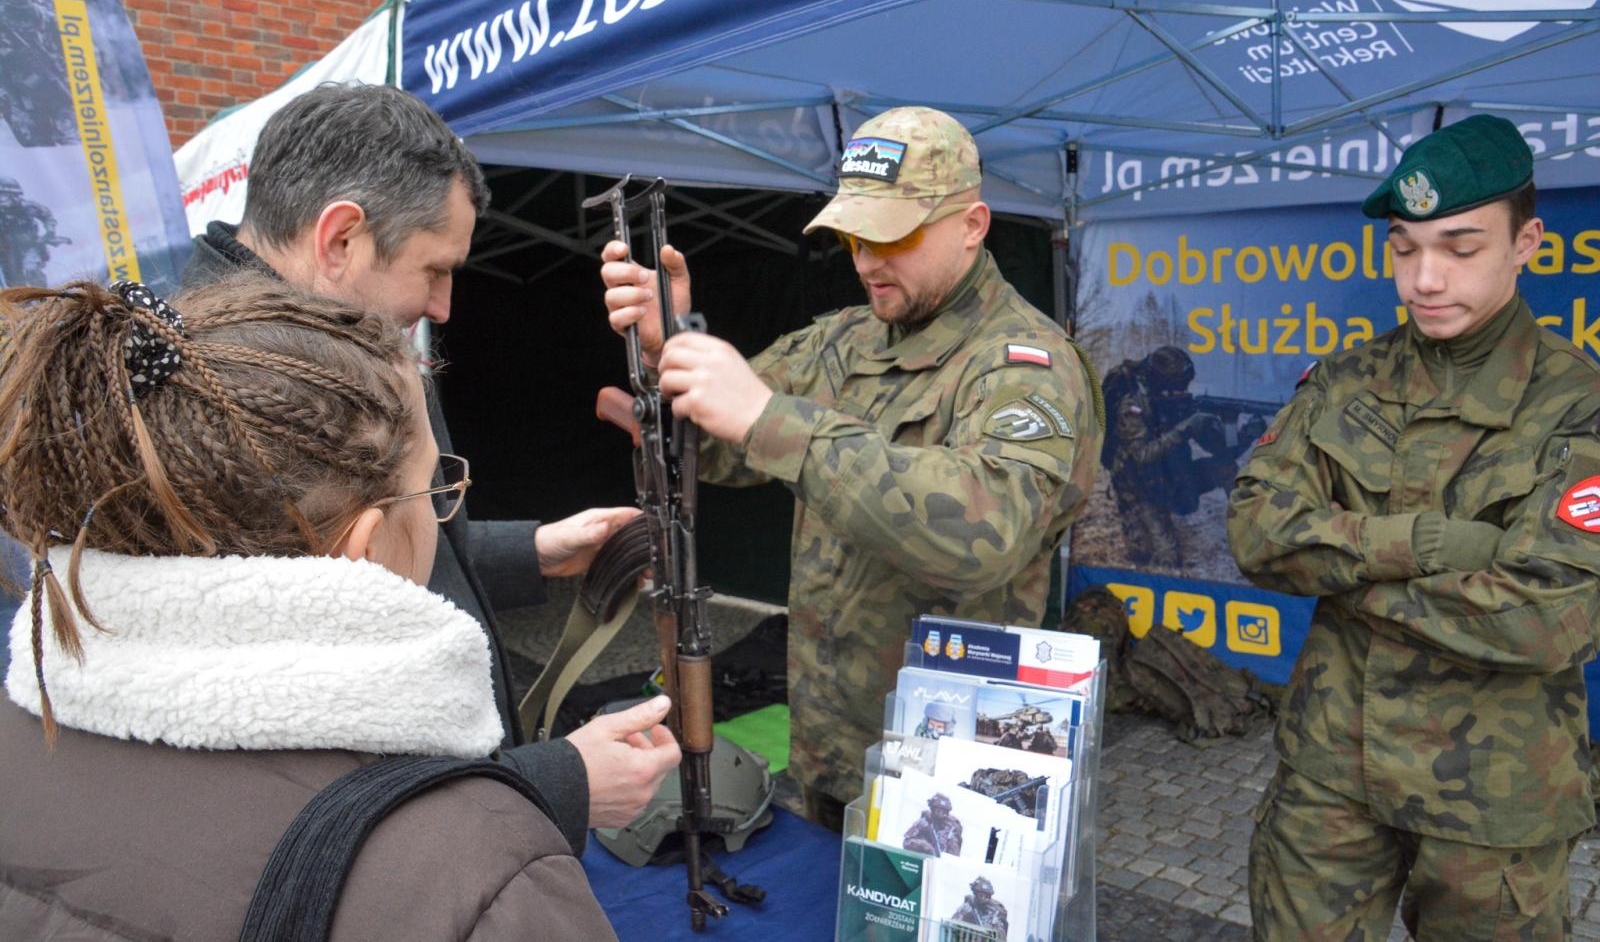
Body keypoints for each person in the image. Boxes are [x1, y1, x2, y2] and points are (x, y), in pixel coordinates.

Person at [0, 277, 678, 939]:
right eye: (434, 488)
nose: (442, 511)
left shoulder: (21, 734)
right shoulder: (482, 875)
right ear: (365, 546)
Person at [601, 106, 1104, 828]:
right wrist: (666, 351)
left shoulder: (1024, 364)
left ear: (972, 224)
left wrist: (776, 422)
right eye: (855, 237)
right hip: (830, 751)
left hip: (949, 768)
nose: (867, 261)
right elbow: (712, 453)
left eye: (893, 236)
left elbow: (985, 534)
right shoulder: (845, 340)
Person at [181, 82, 648, 841]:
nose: (444, 307)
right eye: (435, 269)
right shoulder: (227, 405)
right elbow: (295, 777)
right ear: (341, 239)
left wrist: (537, 551)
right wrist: (556, 784)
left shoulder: (333, 351)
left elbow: (385, 561)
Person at [1227, 114, 1600, 940]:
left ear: (1527, 243)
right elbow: (1256, 532)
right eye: (1405, 249)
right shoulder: (1346, 379)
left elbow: (1550, 617)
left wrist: (1347, 583)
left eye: (1460, 249)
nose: (1425, 279)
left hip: (1492, 802)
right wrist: (1419, 546)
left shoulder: (1579, 405)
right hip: (1330, 776)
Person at [1101, 345, 1263, 568]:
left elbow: (1223, 452)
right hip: (1140, 487)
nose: (1184, 391)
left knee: (1225, 466)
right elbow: (1141, 456)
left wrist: (1244, 433)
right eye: (1179, 386)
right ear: (1161, 384)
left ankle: (1252, 538)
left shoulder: (1181, 404)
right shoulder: (1133, 406)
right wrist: (1185, 428)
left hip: (1174, 477)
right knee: (1158, 557)